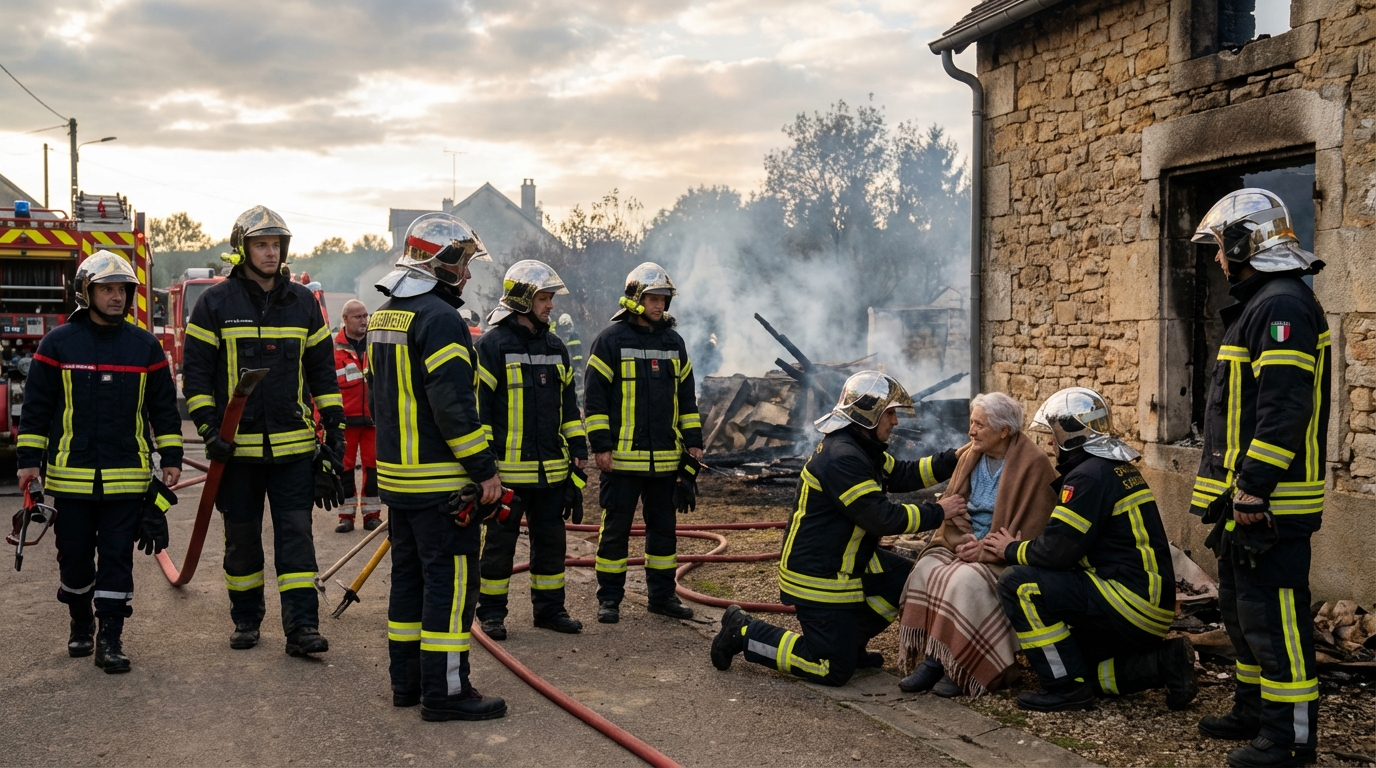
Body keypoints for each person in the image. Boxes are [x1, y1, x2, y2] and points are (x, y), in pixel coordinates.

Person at [1188, 189, 1329, 768]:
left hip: (1270, 505)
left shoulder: (1283, 307)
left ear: (1247, 243)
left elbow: (1283, 408)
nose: (1219, 259)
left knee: (1276, 620)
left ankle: (1290, 738)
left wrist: (1254, 487)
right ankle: (1253, 710)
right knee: (1244, 614)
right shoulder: (1262, 305)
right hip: (1243, 502)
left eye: (1222, 247)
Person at [709, 371, 966, 686]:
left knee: (905, 581)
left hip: (846, 557)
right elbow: (882, 518)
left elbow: (902, 474)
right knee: (831, 669)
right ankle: (745, 632)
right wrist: (938, 511)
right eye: (890, 413)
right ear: (868, 417)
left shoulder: (859, 448)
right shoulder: (842, 458)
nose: (896, 421)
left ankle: (849, 642)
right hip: (820, 573)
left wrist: (953, 459)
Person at [182, 206, 345, 657]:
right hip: (237, 452)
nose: (270, 252)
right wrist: (208, 429)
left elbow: (323, 375)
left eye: (276, 244)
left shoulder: (304, 304)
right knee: (242, 541)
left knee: (297, 539)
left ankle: (302, 628)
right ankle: (246, 619)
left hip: (293, 449)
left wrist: (335, 434)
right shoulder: (214, 303)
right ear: (243, 250)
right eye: (261, 244)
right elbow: (195, 376)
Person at [16, 251, 183, 672]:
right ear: (85, 292)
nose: (116, 297)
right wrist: (28, 462)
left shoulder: (144, 346)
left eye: (122, 290)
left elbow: (164, 409)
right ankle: (79, 617)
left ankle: (110, 638)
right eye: (106, 289)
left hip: (126, 478)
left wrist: (173, 456)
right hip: (71, 480)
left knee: (116, 557)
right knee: (73, 558)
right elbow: (37, 407)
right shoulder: (58, 344)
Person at [371, 212, 507, 722]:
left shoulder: (387, 314)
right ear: (441, 260)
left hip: (399, 481)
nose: (469, 274)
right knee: (450, 589)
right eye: (465, 262)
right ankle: (446, 691)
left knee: (407, 583)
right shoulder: (441, 319)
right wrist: (485, 471)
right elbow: (453, 406)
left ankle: (407, 684)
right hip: (442, 484)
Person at [987, 387, 1195, 713]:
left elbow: (1056, 551)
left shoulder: (1087, 477)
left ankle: (1064, 688)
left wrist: (1010, 548)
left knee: (1018, 583)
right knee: (1079, 664)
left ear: (1068, 437)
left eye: (1052, 436)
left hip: (1128, 599)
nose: (1050, 444)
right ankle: (1164, 664)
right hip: (1149, 605)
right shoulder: (1115, 468)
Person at [897, 392, 1057, 698]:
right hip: (963, 540)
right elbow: (954, 507)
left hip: (1001, 553)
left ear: (1004, 431)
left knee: (964, 581)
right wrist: (961, 535)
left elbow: (1034, 528)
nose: (971, 431)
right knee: (925, 570)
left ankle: (962, 666)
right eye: (972, 422)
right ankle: (935, 658)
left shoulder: (1033, 463)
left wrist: (984, 549)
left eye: (979, 425)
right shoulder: (972, 455)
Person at [584, 262, 703, 624]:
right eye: (653, 298)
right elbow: (595, 399)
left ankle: (662, 597)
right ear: (635, 299)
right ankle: (609, 600)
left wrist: (694, 443)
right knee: (615, 531)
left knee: (664, 533)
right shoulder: (611, 340)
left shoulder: (673, 342)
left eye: (663, 299)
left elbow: (687, 397)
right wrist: (601, 446)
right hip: (621, 461)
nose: (659, 306)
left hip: (666, 461)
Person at [475, 260, 587, 639]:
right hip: (507, 473)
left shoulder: (556, 348)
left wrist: (578, 453)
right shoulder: (491, 346)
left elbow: (568, 408)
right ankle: (491, 613)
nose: (550, 305)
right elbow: (481, 410)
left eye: (550, 298)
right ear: (522, 300)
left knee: (552, 544)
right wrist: (485, 467)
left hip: (552, 472)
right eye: (543, 297)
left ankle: (550, 610)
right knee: (499, 546)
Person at [333, 299, 381, 533]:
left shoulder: (376, 345)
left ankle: (372, 515)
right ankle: (346, 517)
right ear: (345, 319)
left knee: (373, 469)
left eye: (365, 315)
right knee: (344, 470)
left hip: (373, 421)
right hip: (345, 421)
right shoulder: (333, 350)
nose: (364, 320)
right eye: (358, 317)